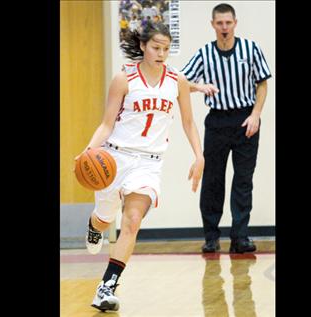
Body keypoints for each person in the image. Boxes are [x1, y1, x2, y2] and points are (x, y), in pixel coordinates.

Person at [75, 21, 204, 312]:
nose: (161, 53)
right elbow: (107, 123)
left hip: (148, 163)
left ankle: (107, 286)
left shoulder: (177, 81)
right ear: (144, 46)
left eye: (166, 49)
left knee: (132, 220)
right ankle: (94, 225)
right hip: (113, 158)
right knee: (105, 218)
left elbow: (188, 122)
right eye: (156, 47)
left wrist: (199, 155)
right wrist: (88, 150)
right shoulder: (124, 78)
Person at [181, 3, 272, 253]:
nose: (224, 28)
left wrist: (256, 114)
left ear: (235, 23)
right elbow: (181, 82)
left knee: (243, 180)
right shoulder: (204, 54)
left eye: (228, 23)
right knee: (212, 180)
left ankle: (240, 237)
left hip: (246, 121)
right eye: (219, 23)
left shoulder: (250, 49)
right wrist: (199, 87)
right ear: (212, 25)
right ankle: (211, 237)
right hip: (217, 121)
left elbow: (262, 83)